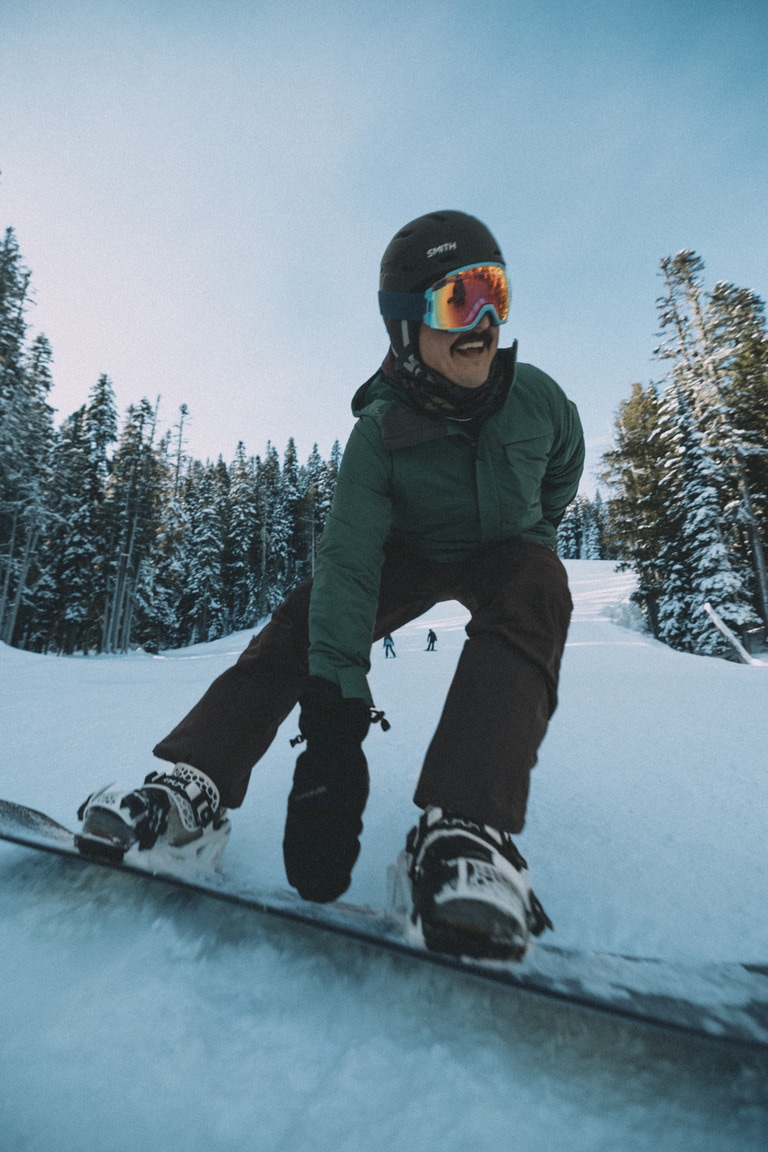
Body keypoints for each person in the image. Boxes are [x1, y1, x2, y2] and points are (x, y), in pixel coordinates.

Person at [77, 210, 584, 961]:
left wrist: (532, 531)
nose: (481, 319)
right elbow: (349, 562)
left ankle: (464, 834)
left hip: (504, 547)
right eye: (457, 300)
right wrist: (334, 725)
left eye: (494, 294)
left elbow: (563, 473)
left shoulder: (537, 397)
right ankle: (191, 789)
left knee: (537, 588)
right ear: (406, 327)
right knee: (302, 623)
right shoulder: (379, 434)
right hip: (403, 556)